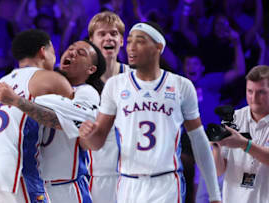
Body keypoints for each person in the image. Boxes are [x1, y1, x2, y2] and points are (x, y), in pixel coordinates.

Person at [79, 21, 221, 203]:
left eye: (140, 41)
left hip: (167, 182)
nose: (131, 47)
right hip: (128, 183)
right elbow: (97, 142)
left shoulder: (181, 86)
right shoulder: (115, 85)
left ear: (158, 47)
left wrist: (215, 195)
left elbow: (199, 141)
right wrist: (87, 135)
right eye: (129, 41)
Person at [0, 39, 106, 203]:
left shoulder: (86, 92)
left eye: (81, 53)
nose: (72, 52)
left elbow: (68, 124)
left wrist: (18, 102)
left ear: (91, 69)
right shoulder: (37, 87)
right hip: (36, 186)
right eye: (70, 48)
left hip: (68, 188)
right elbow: (16, 136)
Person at [86, 11, 130, 203]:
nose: (108, 37)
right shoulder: (82, 82)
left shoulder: (135, 79)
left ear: (121, 40)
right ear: (92, 41)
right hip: (92, 173)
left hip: (130, 173)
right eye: (101, 34)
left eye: (113, 33)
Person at [212, 65, 269, 203]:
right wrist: (216, 146)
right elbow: (218, 171)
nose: (253, 98)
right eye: (249, 91)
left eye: (261, 92)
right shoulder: (233, 118)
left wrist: (244, 144)